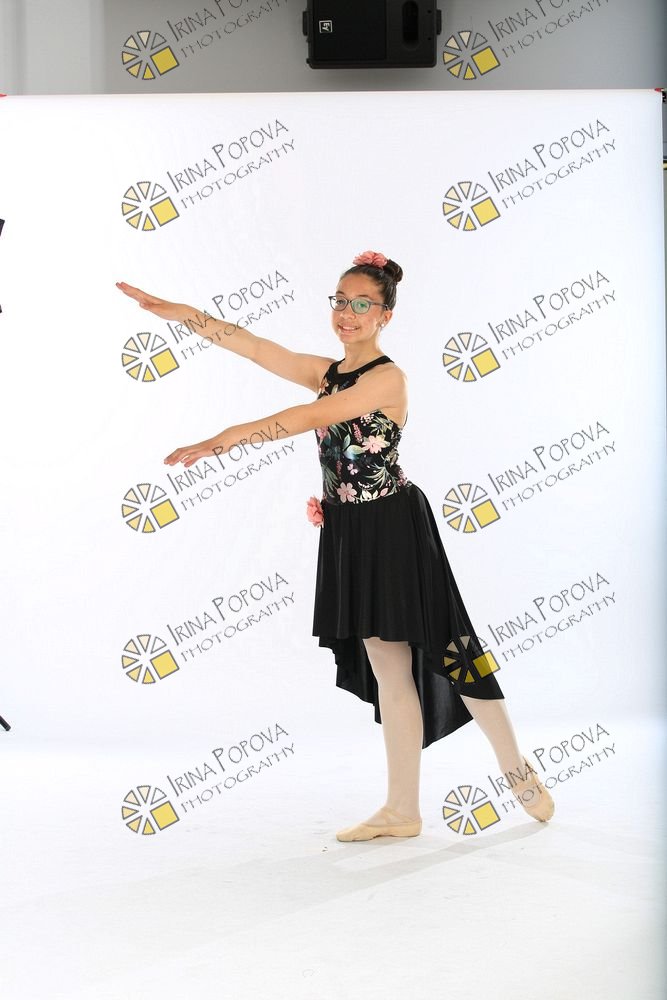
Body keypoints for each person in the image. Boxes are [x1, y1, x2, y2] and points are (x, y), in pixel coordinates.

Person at [116, 250, 555, 842]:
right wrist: (179, 313)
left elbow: (307, 418)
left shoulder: (387, 379)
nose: (347, 314)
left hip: (396, 527)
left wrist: (225, 438)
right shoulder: (329, 371)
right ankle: (402, 809)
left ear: (385, 316)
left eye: (362, 305)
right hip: (351, 531)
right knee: (388, 667)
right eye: (341, 302)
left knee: (454, 649)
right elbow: (253, 346)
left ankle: (515, 767)